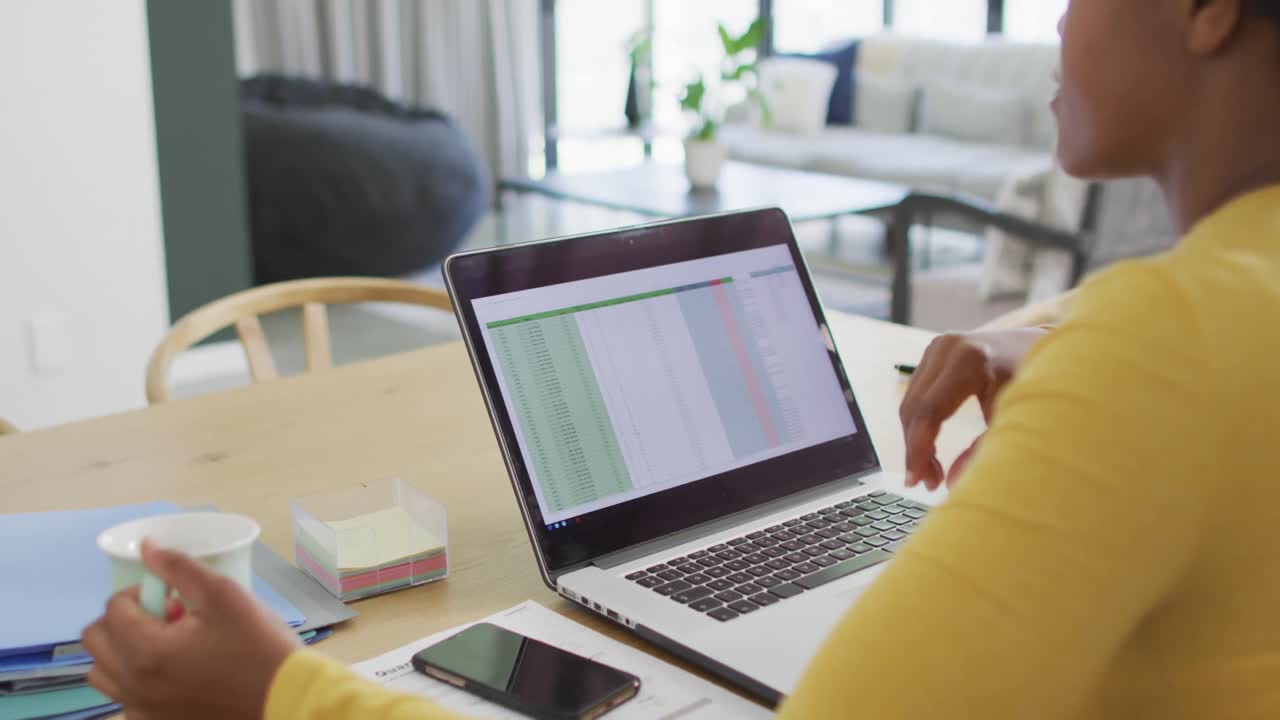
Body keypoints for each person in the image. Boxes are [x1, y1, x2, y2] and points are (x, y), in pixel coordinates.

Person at [82, 0, 1280, 716]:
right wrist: (1044, 331)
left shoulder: (1158, 350)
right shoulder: (1199, 311)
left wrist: (278, 692)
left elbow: (1156, 344)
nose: (1058, 18)